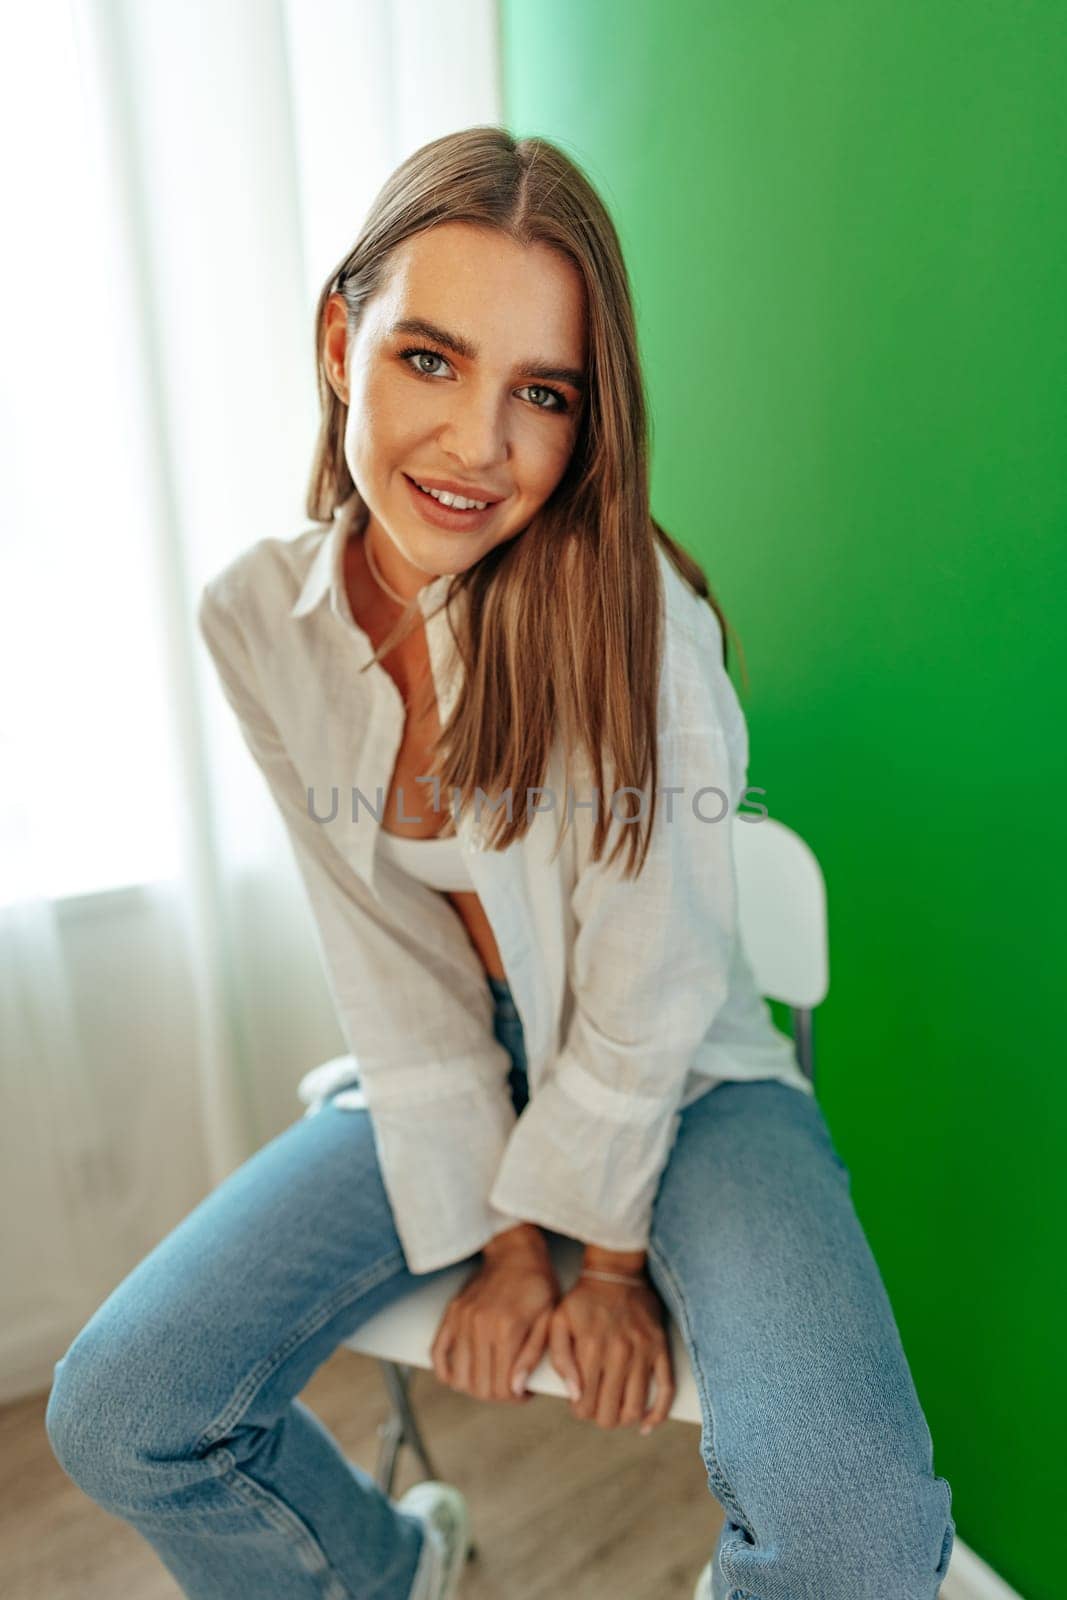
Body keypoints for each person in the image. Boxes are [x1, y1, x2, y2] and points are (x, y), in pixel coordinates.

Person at [44, 126, 954, 1600]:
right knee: (125, 1411)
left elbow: (656, 976)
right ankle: (380, 1572)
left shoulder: (634, 617)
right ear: (343, 343)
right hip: (445, 1069)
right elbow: (388, 970)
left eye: (543, 393)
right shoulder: (256, 622)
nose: (479, 444)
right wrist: (504, 1230)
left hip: (691, 1073)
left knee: (852, 1531)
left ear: (591, 420)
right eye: (430, 360)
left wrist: (594, 1258)